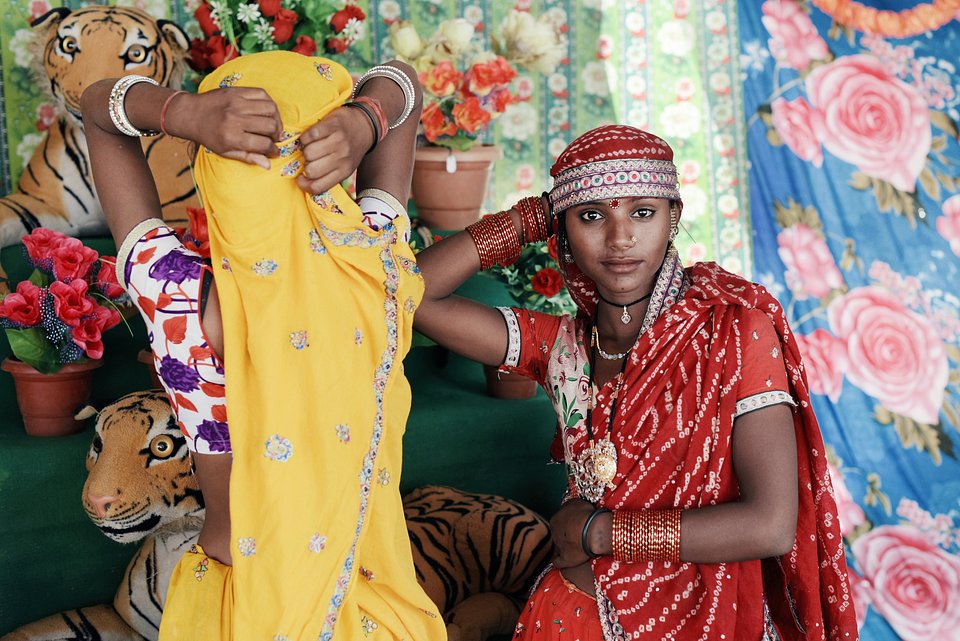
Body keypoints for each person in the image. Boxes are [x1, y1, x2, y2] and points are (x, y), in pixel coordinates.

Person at [412, 125, 860, 641]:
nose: (619, 237)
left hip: (704, 621)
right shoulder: (560, 345)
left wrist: (599, 532)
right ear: (563, 230)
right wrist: (528, 218)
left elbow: (770, 524)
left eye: (642, 212)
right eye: (591, 215)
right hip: (566, 619)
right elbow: (415, 296)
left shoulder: (734, 331)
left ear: (674, 218)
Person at [80, 51, 445, 641]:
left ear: (209, 172)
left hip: (235, 606)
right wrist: (367, 121)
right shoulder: (375, 266)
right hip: (365, 598)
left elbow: (98, 108)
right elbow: (403, 83)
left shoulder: (178, 296)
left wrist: (184, 114)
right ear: (332, 171)